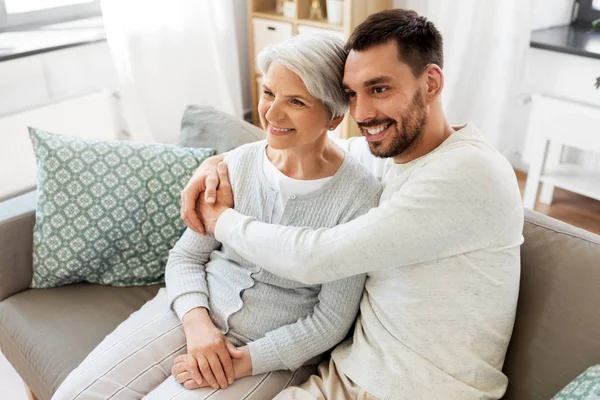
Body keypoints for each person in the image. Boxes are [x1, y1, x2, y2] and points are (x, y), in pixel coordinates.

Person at [179, 9, 525, 400]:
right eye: (352, 94)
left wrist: (219, 219)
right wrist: (214, 165)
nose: (361, 114)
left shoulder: (468, 174)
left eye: (379, 89)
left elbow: (317, 259)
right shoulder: (390, 154)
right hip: (348, 376)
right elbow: (306, 146)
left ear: (430, 83)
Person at [52, 33, 381, 400]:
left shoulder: (360, 198)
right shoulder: (236, 164)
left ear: (334, 116)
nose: (271, 114)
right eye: (269, 93)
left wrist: (242, 361)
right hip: (190, 310)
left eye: (296, 101)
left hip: (267, 352)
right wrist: (198, 326)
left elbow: (329, 321)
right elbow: (186, 256)